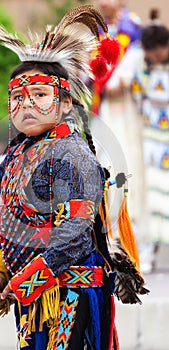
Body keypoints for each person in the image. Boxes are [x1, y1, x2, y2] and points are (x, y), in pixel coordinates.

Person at [0, 5, 148, 349]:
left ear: (65, 102)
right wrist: (0, 274)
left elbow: (72, 238)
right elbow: (12, 224)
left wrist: (22, 282)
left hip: (73, 291)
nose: (25, 105)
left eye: (39, 95)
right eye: (16, 97)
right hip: (35, 296)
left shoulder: (73, 155)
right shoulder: (14, 157)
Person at [90, 0, 144, 240]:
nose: (103, 2)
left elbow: (146, 66)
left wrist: (126, 81)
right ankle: (107, 228)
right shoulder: (97, 32)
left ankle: (131, 227)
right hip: (103, 109)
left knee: (128, 158)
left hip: (126, 108)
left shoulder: (133, 28)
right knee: (104, 159)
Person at [131, 10, 169, 272]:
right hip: (152, 139)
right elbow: (137, 95)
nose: (154, 56)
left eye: (157, 51)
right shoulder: (143, 68)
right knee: (153, 195)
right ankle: (148, 250)